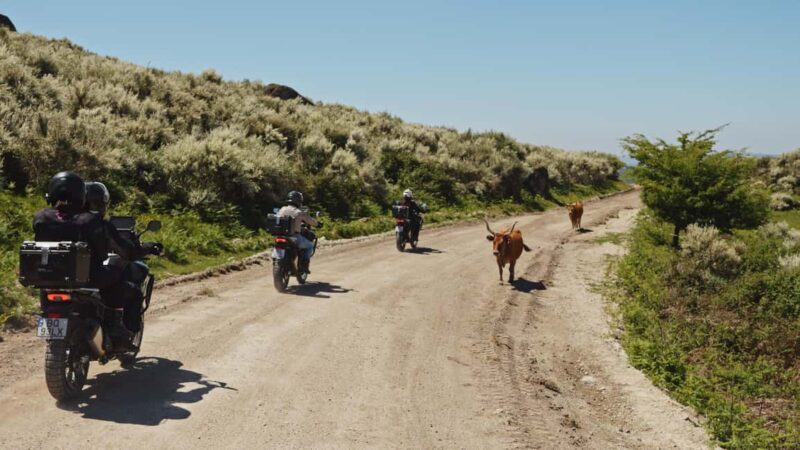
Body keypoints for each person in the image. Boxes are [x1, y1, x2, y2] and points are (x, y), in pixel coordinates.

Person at [33, 172, 135, 341]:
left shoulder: (41, 217)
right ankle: (116, 325)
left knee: (49, 284)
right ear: (81, 194)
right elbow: (106, 251)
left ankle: (47, 317)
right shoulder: (90, 220)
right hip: (88, 277)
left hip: (48, 275)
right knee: (118, 270)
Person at [277, 191, 319, 274]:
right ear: (298, 200)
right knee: (310, 246)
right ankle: (304, 267)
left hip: (281, 236)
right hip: (294, 237)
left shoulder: (282, 209)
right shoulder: (299, 212)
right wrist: (318, 224)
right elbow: (311, 222)